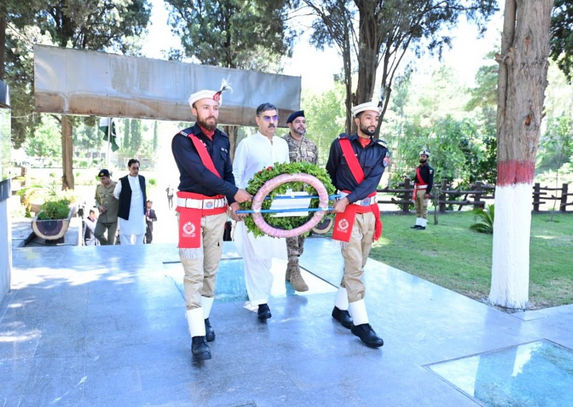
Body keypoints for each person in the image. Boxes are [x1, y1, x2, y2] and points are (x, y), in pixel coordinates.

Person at [172, 86, 251, 361]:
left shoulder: (222, 139)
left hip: (218, 215)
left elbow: (226, 173)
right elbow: (202, 174)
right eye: (206, 108)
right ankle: (196, 337)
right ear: (194, 110)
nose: (212, 113)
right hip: (191, 215)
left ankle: (203, 318)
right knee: (193, 273)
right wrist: (235, 192)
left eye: (215, 108)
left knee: (211, 271)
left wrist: (233, 202)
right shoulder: (182, 139)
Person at [326, 100, 390, 348]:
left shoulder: (382, 151)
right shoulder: (339, 145)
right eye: (368, 118)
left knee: (359, 264)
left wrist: (348, 198)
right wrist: (336, 198)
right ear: (357, 120)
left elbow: (370, 184)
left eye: (376, 118)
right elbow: (330, 173)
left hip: (368, 213)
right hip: (347, 214)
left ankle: (340, 309)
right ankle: (361, 324)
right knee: (354, 267)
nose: (372, 123)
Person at [233, 102, 290, 322]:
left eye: (274, 117)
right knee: (253, 254)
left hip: (275, 210)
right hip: (250, 209)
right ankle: (261, 302)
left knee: (267, 256)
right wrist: (235, 203)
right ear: (257, 120)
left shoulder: (283, 145)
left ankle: (261, 296)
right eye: (266, 118)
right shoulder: (247, 144)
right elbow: (236, 174)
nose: (272, 122)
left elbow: (286, 175)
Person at [282, 110, 318, 292]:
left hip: (307, 197)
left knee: (302, 234)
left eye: (304, 121)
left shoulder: (312, 146)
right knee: (292, 233)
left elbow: (316, 171)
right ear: (289, 125)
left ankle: (291, 270)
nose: (301, 124)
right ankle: (295, 269)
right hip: (288, 197)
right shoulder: (281, 144)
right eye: (298, 121)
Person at [113, 159, 147, 245]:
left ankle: (138, 252)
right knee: (125, 234)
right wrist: (125, 201)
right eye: (134, 168)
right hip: (126, 212)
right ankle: (126, 254)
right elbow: (116, 194)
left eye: (137, 168)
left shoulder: (142, 179)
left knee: (140, 232)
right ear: (129, 168)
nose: (136, 170)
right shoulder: (122, 181)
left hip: (139, 212)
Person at [94, 169, 119, 245]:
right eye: (100, 179)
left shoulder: (117, 186)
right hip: (102, 217)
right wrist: (99, 207)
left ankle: (108, 251)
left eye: (103, 178)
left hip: (113, 218)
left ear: (108, 177)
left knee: (111, 240)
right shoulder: (99, 187)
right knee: (97, 234)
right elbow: (96, 199)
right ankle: (107, 246)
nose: (101, 180)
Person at [411, 150, 434, 230]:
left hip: (424, 190)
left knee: (423, 207)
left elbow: (430, 182)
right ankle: (418, 224)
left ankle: (423, 225)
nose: (422, 157)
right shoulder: (418, 168)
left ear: (427, 158)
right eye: (421, 156)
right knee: (417, 207)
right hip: (417, 190)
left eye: (424, 156)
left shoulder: (430, 169)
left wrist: (427, 192)